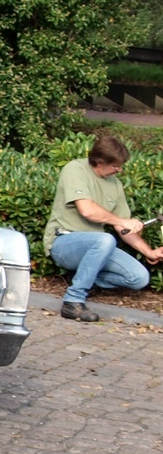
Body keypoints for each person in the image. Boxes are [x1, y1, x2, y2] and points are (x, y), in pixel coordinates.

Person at [43, 134, 163, 321]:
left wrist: (149, 252)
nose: (119, 170)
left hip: (98, 247)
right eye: (115, 166)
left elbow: (123, 228)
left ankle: (85, 276)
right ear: (99, 161)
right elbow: (87, 210)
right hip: (64, 242)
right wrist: (122, 221)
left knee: (139, 278)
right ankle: (72, 301)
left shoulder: (115, 184)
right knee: (106, 239)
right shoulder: (75, 169)